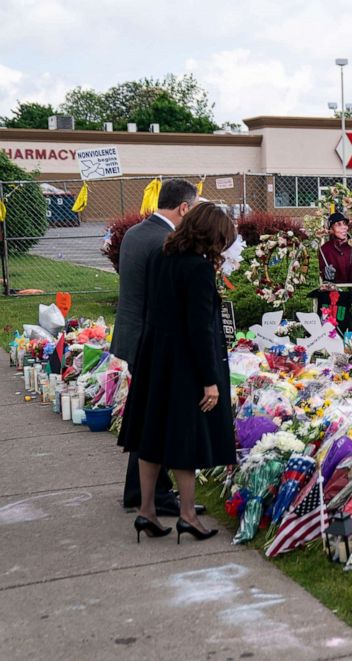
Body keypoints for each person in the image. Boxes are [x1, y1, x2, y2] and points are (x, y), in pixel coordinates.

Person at [119, 203, 237, 543]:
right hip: (185, 362)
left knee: (151, 435)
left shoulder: (163, 255)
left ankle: (146, 511)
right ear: (212, 235)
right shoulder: (198, 269)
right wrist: (210, 380)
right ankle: (187, 515)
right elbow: (200, 329)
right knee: (184, 437)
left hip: (156, 356)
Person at [111, 178, 202, 517]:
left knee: (149, 413)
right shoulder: (166, 241)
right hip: (154, 340)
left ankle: (140, 491)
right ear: (183, 208)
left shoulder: (136, 233)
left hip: (133, 333)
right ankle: (155, 494)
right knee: (159, 417)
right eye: (192, 209)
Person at [315, 212, 352, 330]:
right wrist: (325, 273)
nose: (344, 227)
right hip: (334, 296)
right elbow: (322, 273)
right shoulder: (324, 249)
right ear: (331, 229)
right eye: (338, 225)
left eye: (345, 224)